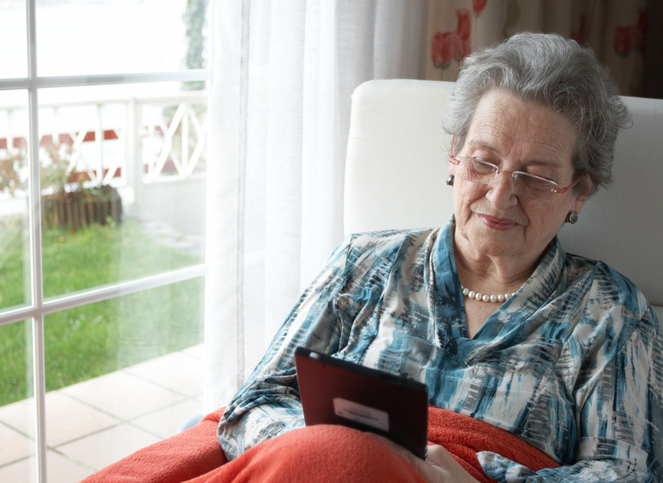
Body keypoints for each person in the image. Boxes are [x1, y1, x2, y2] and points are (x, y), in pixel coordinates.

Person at [216, 32, 662, 482]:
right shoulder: (363, 263)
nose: (500, 194)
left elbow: (628, 474)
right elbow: (252, 405)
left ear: (579, 193)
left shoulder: (610, 312)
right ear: (453, 157)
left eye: (535, 178)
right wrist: (344, 453)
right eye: (483, 162)